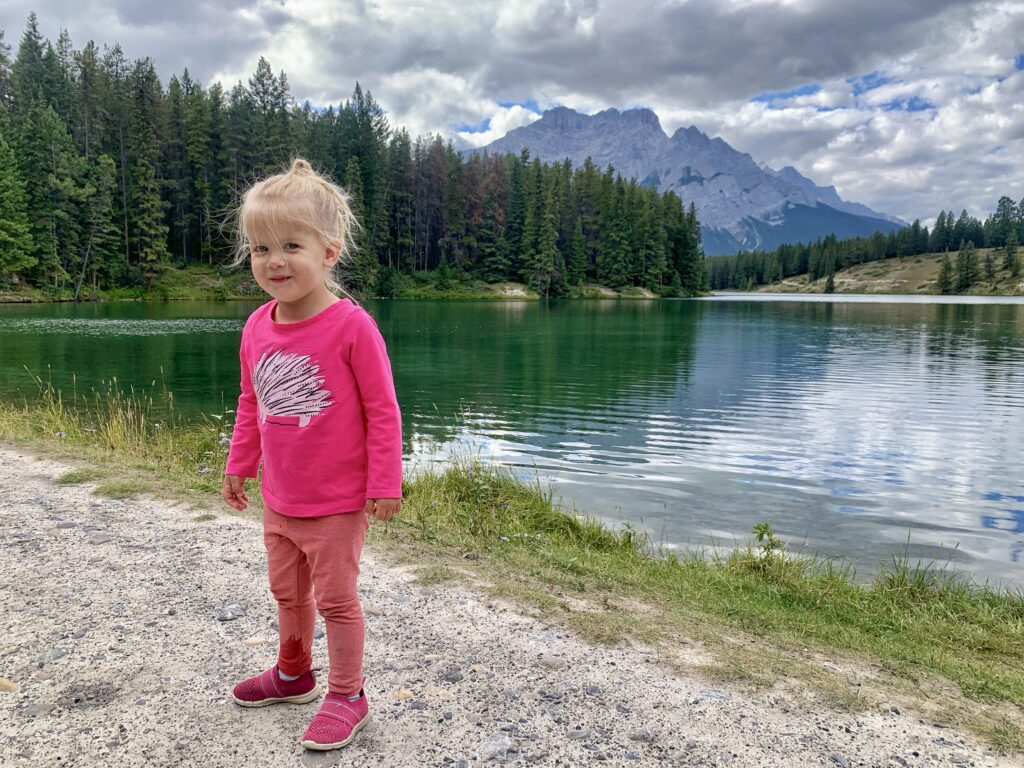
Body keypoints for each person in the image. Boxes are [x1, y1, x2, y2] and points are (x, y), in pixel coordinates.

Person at [221, 157, 402, 751]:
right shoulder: (256, 326)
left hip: (335, 502)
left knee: (337, 600)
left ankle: (349, 694)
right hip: (281, 498)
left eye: (290, 245)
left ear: (329, 250)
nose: (274, 261)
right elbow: (253, 402)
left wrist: (385, 481)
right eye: (259, 248)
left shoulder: (351, 327)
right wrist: (239, 462)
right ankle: (293, 674)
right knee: (286, 593)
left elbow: (383, 412)